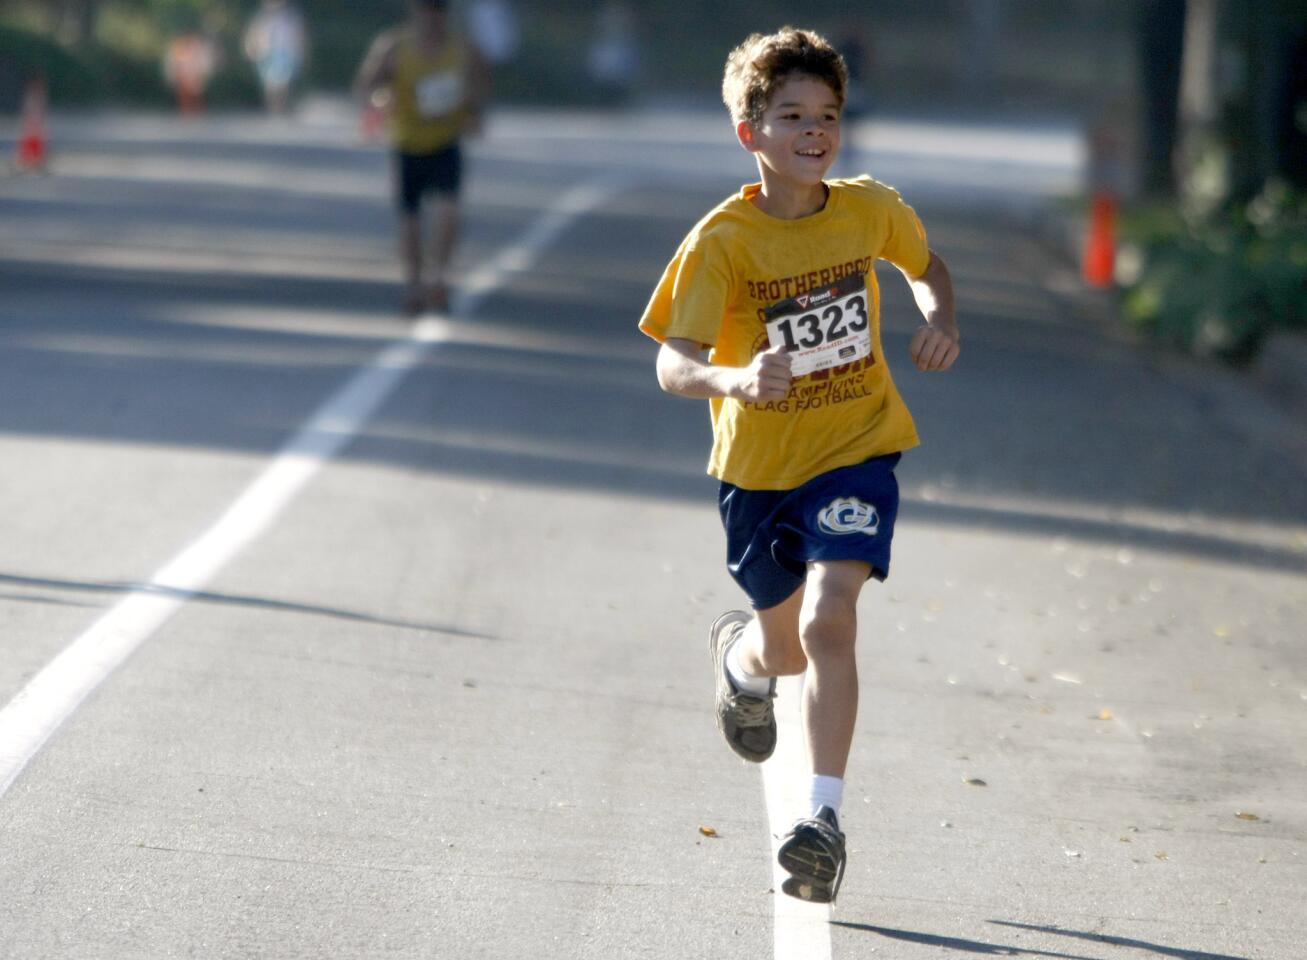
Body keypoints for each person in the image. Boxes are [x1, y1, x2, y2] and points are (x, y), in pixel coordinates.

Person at [638, 27, 959, 904]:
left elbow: (927, 266)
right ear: (751, 133)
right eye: (791, 116)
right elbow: (672, 361)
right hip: (757, 471)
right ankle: (740, 660)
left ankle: (819, 819)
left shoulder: (867, 209)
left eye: (827, 116)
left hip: (855, 448)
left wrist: (939, 317)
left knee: (830, 622)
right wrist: (733, 376)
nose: (814, 131)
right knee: (782, 650)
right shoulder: (722, 241)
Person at [355, 0, 490, 315]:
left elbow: (483, 80)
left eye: (438, 10)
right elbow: (367, 83)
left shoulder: (462, 49)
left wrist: (475, 110)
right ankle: (413, 284)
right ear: (414, 12)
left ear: (445, 15)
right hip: (408, 143)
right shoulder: (393, 47)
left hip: (446, 141)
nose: (432, 17)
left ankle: (438, 279)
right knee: (411, 220)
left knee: (449, 213)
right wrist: (376, 105)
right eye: (425, 10)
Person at [243, 0, 308, 115]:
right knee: (269, 84)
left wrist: (300, 51)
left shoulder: (290, 18)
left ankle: (280, 107)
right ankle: (274, 108)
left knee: (284, 82)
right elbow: (253, 34)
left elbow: (298, 34)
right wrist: (251, 49)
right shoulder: (261, 18)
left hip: (285, 53)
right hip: (266, 53)